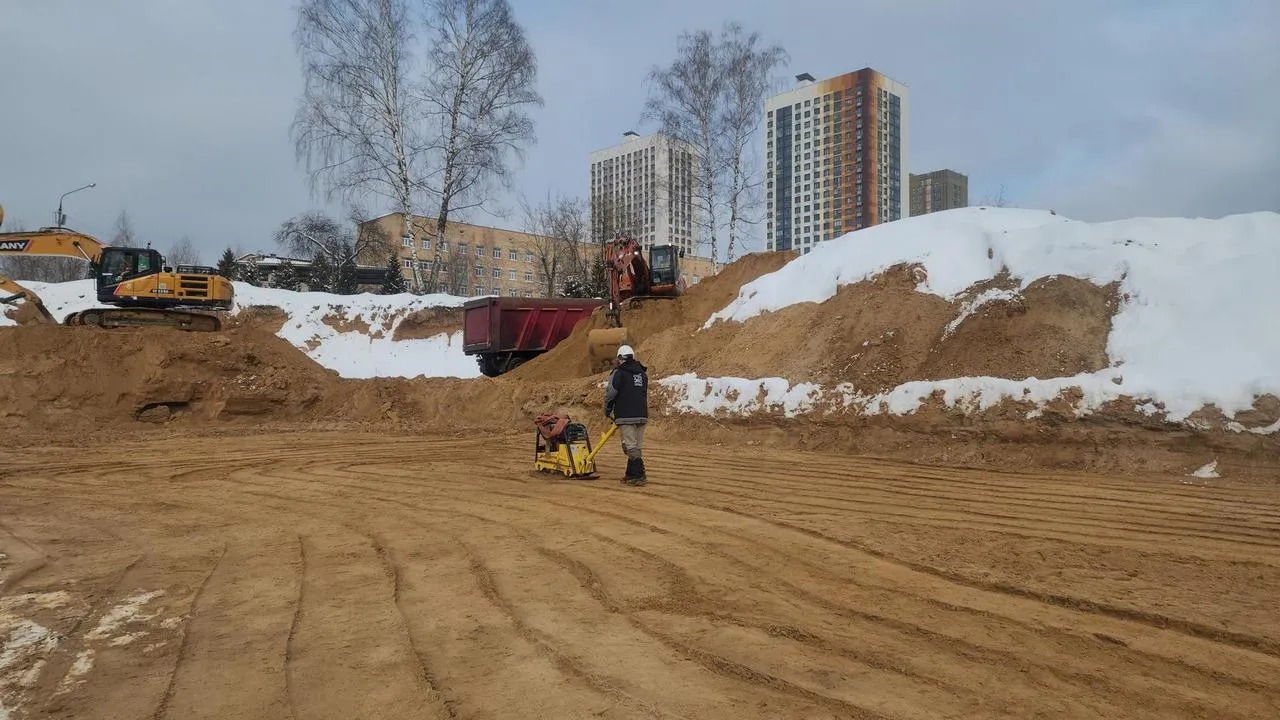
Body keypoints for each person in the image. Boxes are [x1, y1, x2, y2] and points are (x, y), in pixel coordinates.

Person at [603, 344, 648, 486]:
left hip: (626, 415)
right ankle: (630, 475)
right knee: (636, 446)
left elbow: (611, 393)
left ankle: (638, 476)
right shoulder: (642, 373)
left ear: (620, 358)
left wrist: (607, 409)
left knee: (630, 446)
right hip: (642, 414)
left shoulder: (619, 373)